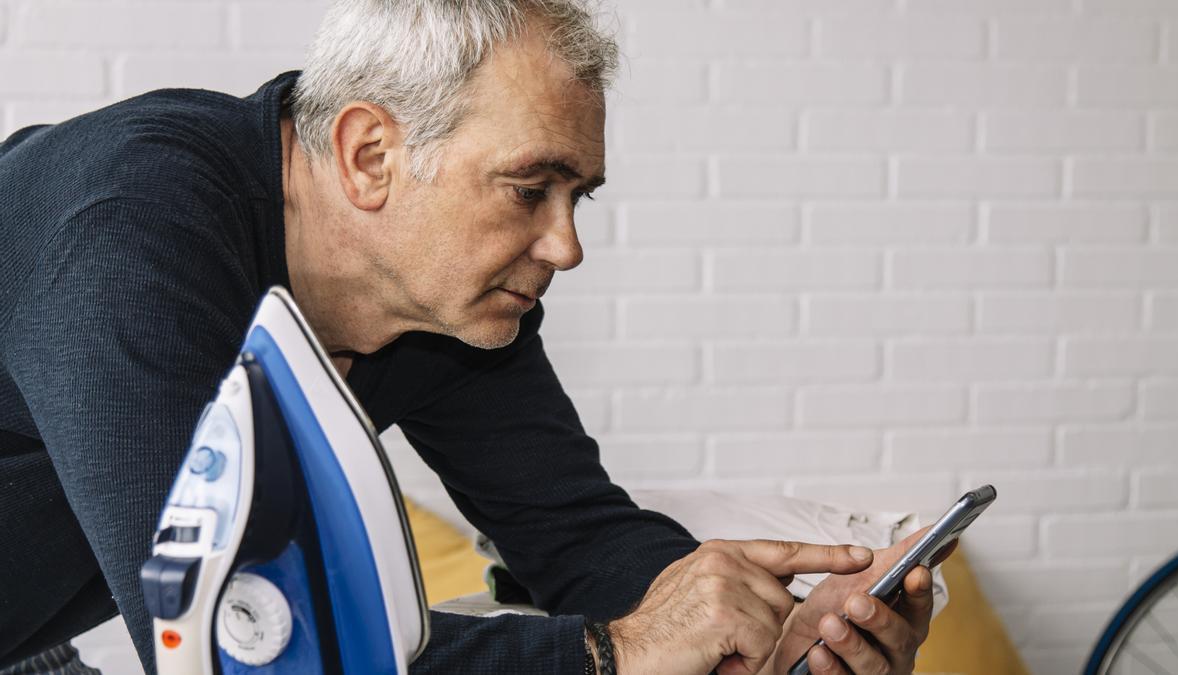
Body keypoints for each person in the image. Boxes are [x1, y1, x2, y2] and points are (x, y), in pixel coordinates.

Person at [0, 1, 942, 673]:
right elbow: (237, 635)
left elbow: (575, 536)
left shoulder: (442, 300)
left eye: (577, 198)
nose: (565, 246)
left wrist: (764, 633)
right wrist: (613, 652)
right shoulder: (127, 228)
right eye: (531, 189)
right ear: (371, 155)